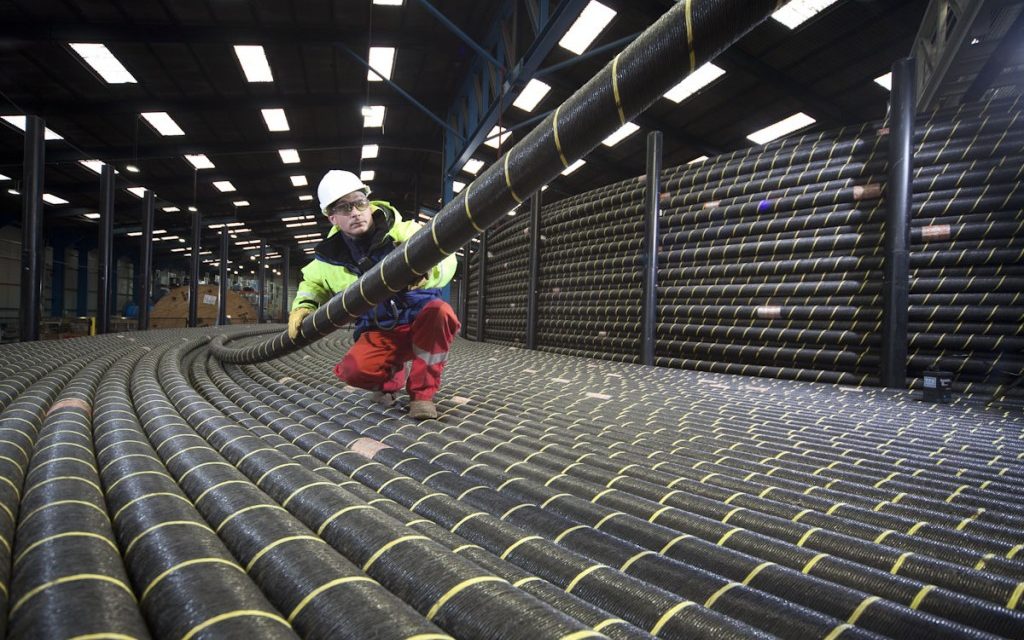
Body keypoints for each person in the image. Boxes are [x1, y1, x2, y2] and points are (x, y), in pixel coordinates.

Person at [288, 170, 459, 419]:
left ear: (369, 203)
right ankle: (389, 380)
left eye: (359, 203)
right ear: (331, 217)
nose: (355, 212)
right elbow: (311, 285)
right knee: (353, 371)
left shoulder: (405, 232)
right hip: (379, 328)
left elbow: (447, 259)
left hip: (419, 321)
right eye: (345, 208)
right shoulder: (328, 259)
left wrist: (426, 269)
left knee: (441, 312)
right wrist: (303, 306)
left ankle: (422, 396)